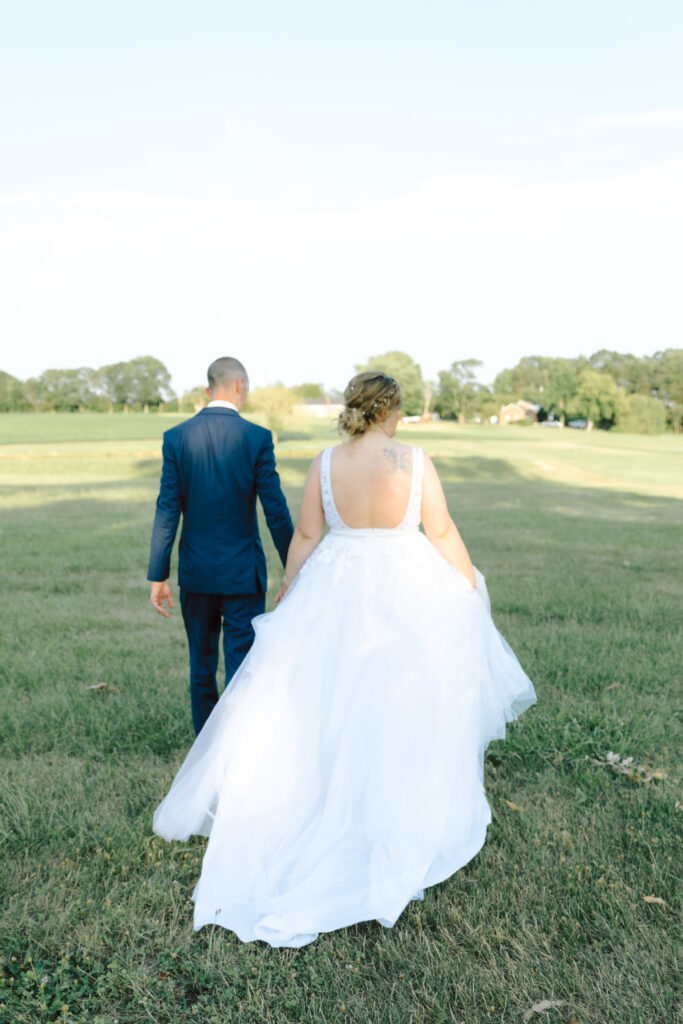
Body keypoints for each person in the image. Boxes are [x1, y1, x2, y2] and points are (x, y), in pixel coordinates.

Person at [153, 371, 537, 947]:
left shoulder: (327, 463)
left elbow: (307, 535)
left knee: (328, 701)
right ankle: (392, 809)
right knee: (405, 698)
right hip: (407, 589)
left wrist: (292, 589)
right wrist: (466, 589)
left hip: (339, 583)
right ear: (391, 411)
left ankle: (333, 800)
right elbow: (442, 530)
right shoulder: (414, 461)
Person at [147, 356, 294, 735]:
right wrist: (295, 567)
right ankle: (237, 746)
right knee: (242, 665)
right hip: (243, 573)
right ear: (240, 386)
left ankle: (204, 747)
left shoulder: (177, 437)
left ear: (209, 387)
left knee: (202, 665)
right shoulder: (257, 438)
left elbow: (168, 509)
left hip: (196, 574)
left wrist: (158, 574)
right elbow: (274, 510)